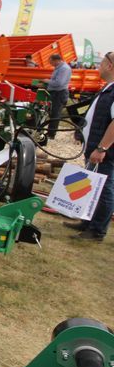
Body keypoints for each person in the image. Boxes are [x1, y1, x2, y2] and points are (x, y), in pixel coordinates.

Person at [64, 51, 114, 241]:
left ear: (110, 66)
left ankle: (97, 231)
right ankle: (87, 222)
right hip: (95, 147)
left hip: (103, 152)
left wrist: (103, 148)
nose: (98, 66)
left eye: (102, 63)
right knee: (93, 187)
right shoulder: (108, 88)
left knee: (104, 189)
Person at [42, 54, 71, 139]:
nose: (51, 64)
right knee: (53, 113)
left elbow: (59, 83)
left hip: (60, 94)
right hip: (56, 93)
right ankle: (50, 132)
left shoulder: (64, 69)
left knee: (55, 114)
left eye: (51, 62)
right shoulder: (59, 68)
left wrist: (47, 81)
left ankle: (51, 134)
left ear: (56, 60)